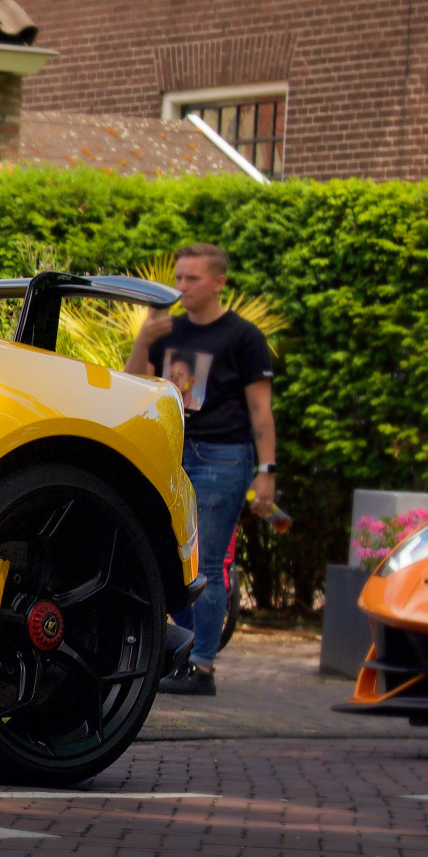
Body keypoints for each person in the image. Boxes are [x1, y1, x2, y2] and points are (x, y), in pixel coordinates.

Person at [126, 243, 278, 696]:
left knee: (207, 563)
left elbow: (260, 410)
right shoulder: (167, 332)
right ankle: (185, 652)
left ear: (218, 283)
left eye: (192, 278)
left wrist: (266, 469)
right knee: (167, 561)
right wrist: (143, 341)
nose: (182, 286)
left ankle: (202, 667)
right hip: (172, 451)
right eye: (179, 277)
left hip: (222, 457)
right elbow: (134, 386)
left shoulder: (244, 338)